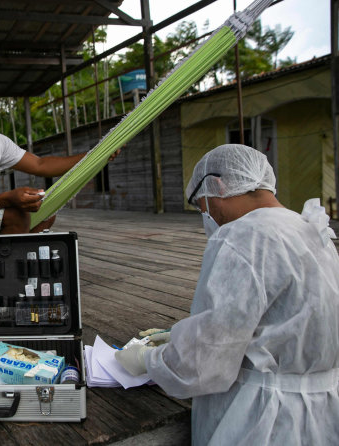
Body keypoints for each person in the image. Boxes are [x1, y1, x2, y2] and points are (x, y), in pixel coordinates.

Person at [115, 144, 339, 445]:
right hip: (319, 412)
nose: (206, 216)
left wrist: (149, 359)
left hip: (261, 419)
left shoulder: (242, 236)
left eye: (201, 205)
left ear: (216, 185)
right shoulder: (310, 229)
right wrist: (179, 334)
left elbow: (205, 362)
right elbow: (279, 319)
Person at [0, 72, 120, 234]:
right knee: (18, 216)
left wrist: (94, 155)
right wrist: (9, 198)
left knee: (45, 213)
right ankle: (7, 267)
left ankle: (14, 257)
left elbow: (40, 165)